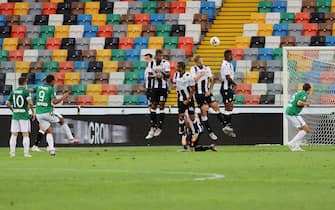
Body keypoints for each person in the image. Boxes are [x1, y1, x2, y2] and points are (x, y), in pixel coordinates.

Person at [32, 74, 79, 155]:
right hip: (47, 111)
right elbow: (55, 102)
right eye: (54, 81)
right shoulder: (50, 89)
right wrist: (64, 97)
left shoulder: (39, 87)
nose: (55, 83)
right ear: (52, 81)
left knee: (48, 130)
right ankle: (71, 138)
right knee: (62, 120)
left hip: (38, 113)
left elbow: (31, 90)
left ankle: (51, 149)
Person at [191, 55, 228, 142]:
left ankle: (225, 125)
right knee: (204, 109)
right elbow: (193, 81)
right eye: (200, 61)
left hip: (207, 92)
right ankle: (210, 131)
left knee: (216, 106)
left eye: (202, 60)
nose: (201, 62)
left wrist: (210, 90)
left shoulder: (207, 68)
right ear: (196, 62)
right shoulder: (193, 69)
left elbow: (212, 79)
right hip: (199, 94)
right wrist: (200, 75)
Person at [173, 62, 200, 149]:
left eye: (177, 66)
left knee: (192, 117)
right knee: (181, 116)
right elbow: (175, 84)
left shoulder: (189, 76)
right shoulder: (176, 75)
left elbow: (193, 89)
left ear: (181, 67)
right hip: (180, 99)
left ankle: (196, 130)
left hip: (189, 99)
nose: (176, 68)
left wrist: (188, 99)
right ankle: (182, 130)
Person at [6, 77, 35, 158]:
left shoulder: (13, 91)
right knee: (25, 134)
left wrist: (13, 110)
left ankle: (12, 153)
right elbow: (31, 103)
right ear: (25, 83)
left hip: (15, 115)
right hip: (24, 115)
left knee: (14, 134)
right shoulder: (26, 91)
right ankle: (26, 153)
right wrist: (33, 112)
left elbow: (7, 103)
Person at [145, 50, 171, 140]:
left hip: (163, 88)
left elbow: (168, 75)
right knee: (153, 106)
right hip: (154, 88)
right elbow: (148, 75)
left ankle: (159, 127)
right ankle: (153, 127)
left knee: (161, 106)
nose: (160, 57)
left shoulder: (166, 63)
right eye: (158, 56)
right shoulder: (151, 63)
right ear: (155, 56)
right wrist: (156, 76)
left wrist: (162, 74)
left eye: (161, 56)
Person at [286, 83, 311, 152]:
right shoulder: (304, 94)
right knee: (305, 130)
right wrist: (306, 103)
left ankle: (296, 147)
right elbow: (299, 103)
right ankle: (291, 143)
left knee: (305, 129)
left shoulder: (299, 92)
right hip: (292, 113)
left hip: (294, 113)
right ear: (309, 89)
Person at [220, 49, 237, 138]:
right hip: (225, 88)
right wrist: (234, 83)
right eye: (230, 55)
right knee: (228, 106)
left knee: (230, 106)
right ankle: (226, 125)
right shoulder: (225, 64)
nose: (232, 56)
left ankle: (227, 125)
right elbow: (227, 77)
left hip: (229, 88)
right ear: (226, 56)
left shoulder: (229, 64)